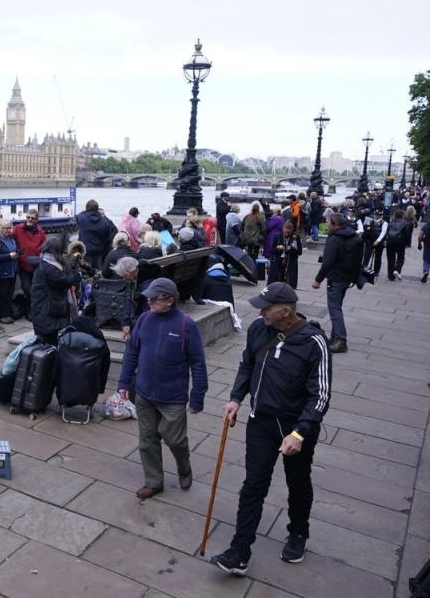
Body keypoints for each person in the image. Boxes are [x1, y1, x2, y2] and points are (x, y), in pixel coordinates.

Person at [210, 283, 331, 575]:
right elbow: (246, 365)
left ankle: (298, 532)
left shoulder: (314, 342)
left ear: (286, 310)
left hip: (295, 428)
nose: (260, 312)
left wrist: (300, 433)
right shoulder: (257, 330)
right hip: (261, 421)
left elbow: (321, 395)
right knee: (253, 484)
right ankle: (239, 552)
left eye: (266, 308)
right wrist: (235, 398)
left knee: (298, 482)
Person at [117, 278, 207, 500]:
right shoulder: (144, 319)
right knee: (147, 441)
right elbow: (132, 353)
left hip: (173, 397)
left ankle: (184, 469)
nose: (149, 302)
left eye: (154, 299)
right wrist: (124, 382)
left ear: (169, 300)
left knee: (175, 440)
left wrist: (197, 396)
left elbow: (198, 363)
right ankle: (154, 482)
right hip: (144, 393)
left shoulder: (187, 325)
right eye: (148, 298)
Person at [312, 213, 361, 353]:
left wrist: (317, 280)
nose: (326, 224)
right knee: (337, 306)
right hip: (347, 277)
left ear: (334, 223)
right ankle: (334, 338)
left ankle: (340, 340)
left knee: (334, 308)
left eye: (327, 221)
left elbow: (327, 263)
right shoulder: (351, 235)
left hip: (336, 278)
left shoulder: (334, 239)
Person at [30, 236, 81, 345]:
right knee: (48, 341)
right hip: (45, 309)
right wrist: (74, 272)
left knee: (49, 339)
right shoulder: (50, 267)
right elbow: (67, 280)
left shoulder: (46, 261)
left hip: (44, 307)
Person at [11, 209, 46, 313]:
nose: (30, 220)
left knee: (35, 289)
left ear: (37, 220)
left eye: (32, 218)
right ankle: (30, 309)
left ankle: (32, 310)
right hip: (23, 265)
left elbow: (44, 247)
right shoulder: (18, 229)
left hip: (36, 266)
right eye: (28, 217)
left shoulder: (40, 232)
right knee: (26, 288)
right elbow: (7, 236)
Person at [75, 199, 118, 270]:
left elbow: (76, 216)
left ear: (86, 208)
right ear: (97, 209)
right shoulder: (103, 221)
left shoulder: (82, 218)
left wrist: (85, 211)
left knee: (85, 271)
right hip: (98, 251)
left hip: (85, 250)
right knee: (98, 271)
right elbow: (107, 235)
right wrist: (102, 215)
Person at [0, 220, 19, 324]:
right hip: (2, 272)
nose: (9, 230)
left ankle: (7, 313)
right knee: (2, 295)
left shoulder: (11, 239)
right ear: (0, 228)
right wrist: (9, 256)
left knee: (9, 294)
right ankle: (1, 315)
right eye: (6, 228)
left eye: (10, 228)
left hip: (12, 270)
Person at [268, 220, 303, 289]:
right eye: (285, 232)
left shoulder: (295, 237)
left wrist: (291, 249)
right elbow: (271, 250)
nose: (286, 234)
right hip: (278, 262)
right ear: (283, 229)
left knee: (288, 284)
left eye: (288, 233)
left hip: (290, 262)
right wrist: (278, 248)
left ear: (292, 230)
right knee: (276, 280)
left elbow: (299, 252)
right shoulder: (278, 236)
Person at [361, 209, 388, 278]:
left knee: (378, 257)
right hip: (370, 241)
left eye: (378, 215)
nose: (376, 216)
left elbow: (383, 233)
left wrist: (378, 241)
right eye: (375, 214)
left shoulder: (384, 223)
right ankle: (364, 268)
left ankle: (376, 271)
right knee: (367, 255)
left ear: (381, 215)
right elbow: (366, 231)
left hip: (379, 242)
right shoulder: (370, 221)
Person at [385, 209, 408, 281]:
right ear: (402, 215)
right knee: (400, 257)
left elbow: (387, 232)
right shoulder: (405, 223)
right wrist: (406, 243)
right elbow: (407, 234)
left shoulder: (391, 223)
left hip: (390, 242)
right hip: (400, 242)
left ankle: (390, 276)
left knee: (390, 258)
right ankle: (397, 270)